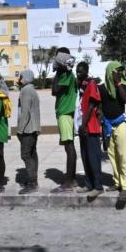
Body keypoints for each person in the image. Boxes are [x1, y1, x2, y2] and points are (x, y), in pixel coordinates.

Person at [101, 61, 126, 194]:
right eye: (117, 71)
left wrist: (118, 83)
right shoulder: (102, 88)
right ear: (110, 72)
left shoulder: (123, 86)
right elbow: (100, 107)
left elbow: (125, 99)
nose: (119, 73)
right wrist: (102, 125)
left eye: (121, 70)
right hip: (107, 125)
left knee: (123, 155)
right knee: (112, 155)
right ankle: (117, 182)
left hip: (120, 124)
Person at [52, 50, 79, 191]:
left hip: (65, 114)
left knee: (69, 147)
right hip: (64, 113)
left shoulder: (67, 75)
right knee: (68, 146)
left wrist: (56, 71)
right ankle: (71, 179)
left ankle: (69, 181)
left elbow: (54, 90)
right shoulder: (65, 74)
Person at [76, 60, 104, 192]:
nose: (77, 73)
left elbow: (92, 105)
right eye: (76, 71)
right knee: (85, 156)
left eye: (80, 71)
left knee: (93, 157)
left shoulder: (91, 84)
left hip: (90, 126)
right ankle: (89, 184)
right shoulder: (82, 85)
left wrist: (84, 124)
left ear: (86, 71)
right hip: (83, 127)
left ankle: (98, 186)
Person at [16, 69, 41, 194]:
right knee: (32, 153)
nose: (19, 80)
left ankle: (32, 183)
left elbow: (24, 112)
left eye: (21, 77)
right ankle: (33, 179)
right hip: (34, 127)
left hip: (27, 129)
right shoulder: (33, 89)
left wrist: (19, 130)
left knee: (26, 155)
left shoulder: (25, 91)